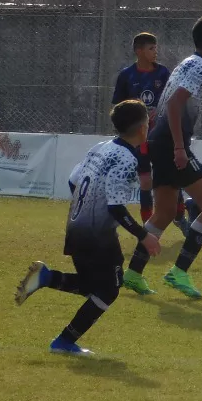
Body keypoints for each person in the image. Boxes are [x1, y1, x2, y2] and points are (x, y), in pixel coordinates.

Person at [15, 100, 161, 356]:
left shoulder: (101, 147)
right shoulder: (128, 158)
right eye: (148, 123)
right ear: (142, 129)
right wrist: (144, 236)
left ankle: (47, 278)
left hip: (76, 227)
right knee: (109, 289)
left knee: (94, 285)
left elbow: (73, 182)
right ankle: (63, 341)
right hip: (97, 236)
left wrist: (87, 211)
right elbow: (116, 208)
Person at [125, 16, 202, 300]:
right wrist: (179, 147)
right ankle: (180, 271)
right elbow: (175, 104)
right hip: (170, 143)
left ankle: (133, 273)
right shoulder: (201, 68)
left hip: (159, 141)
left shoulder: (188, 62)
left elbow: (171, 103)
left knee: (163, 213)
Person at [110, 32, 171, 229]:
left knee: (170, 178)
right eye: (151, 48)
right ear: (139, 51)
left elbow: (172, 101)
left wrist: (159, 114)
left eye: (156, 48)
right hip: (139, 137)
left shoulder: (163, 73)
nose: (156, 52)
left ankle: (179, 215)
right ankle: (147, 226)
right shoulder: (127, 75)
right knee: (145, 180)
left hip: (160, 135)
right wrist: (134, 121)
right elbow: (118, 107)